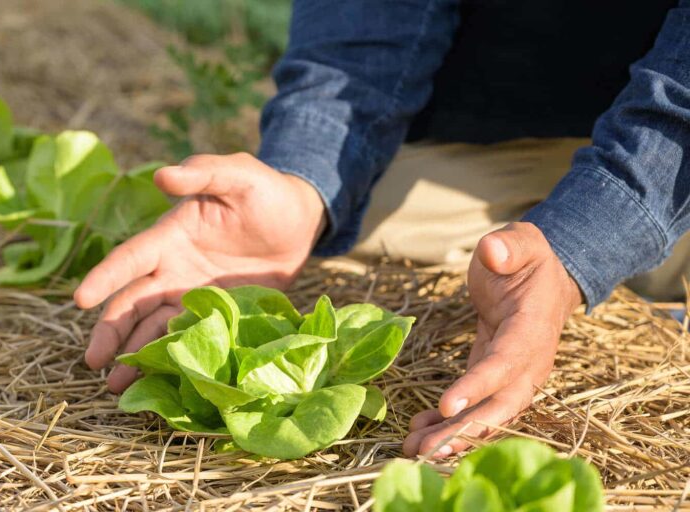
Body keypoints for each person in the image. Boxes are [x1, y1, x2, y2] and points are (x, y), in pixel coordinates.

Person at [74, 0, 690, 458]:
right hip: (507, 122)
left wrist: (586, 237)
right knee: (366, 240)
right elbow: (361, 27)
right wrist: (306, 180)